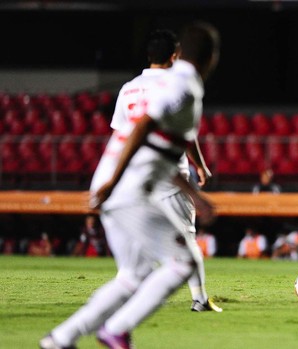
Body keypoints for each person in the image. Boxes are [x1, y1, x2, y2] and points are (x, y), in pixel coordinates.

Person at [39, 21, 221, 349]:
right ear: (212, 58)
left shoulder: (146, 85)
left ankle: (60, 338)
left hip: (124, 178)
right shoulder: (184, 87)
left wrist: (195, 192)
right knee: (183, 262)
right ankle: (116, 331)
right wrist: (112, 183)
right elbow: (143, 129)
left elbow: (156, 145)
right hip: (127, 187)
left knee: (131, 276)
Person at [108, 29, 217, 312]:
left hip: (131, 175)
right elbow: (184, 133)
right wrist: (199, 166)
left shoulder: (128, 88)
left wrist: (113, 177)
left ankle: (126, 295)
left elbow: (121, 135)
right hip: (169, 171)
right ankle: (200, 299)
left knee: (136, 242)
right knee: (186, 236)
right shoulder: (176, 85)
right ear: (174, 55)